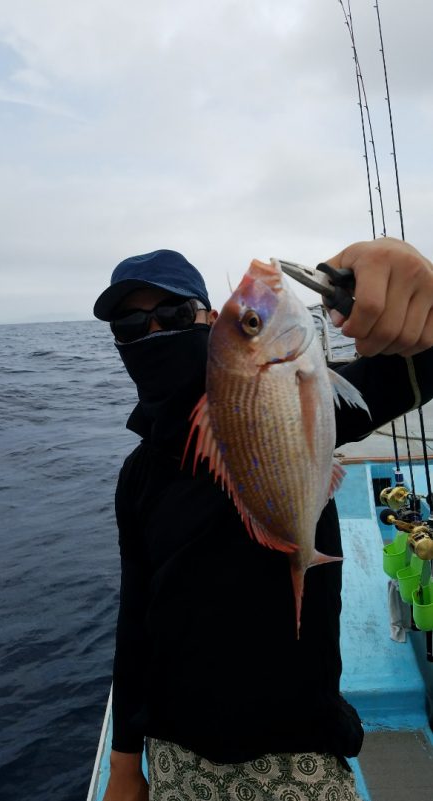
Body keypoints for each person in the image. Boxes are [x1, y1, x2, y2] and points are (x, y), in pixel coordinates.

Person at [93, 239, 433, 801]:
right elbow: (135, 620)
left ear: (209, 321)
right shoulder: (139, 474)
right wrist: (125, 764)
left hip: (298, 750)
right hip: (176, 753)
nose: (152, 333)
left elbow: (416, 367)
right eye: (130, 325)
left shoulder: (291, 393)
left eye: (173, 314)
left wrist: (416, 290)